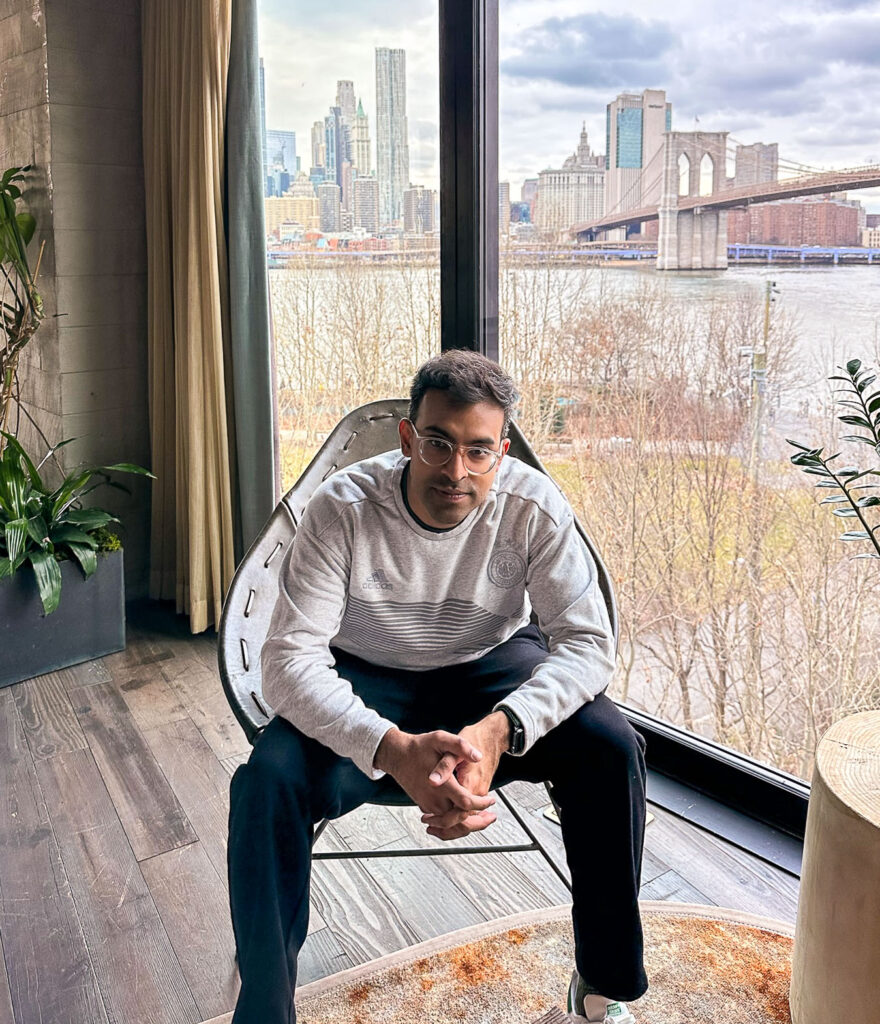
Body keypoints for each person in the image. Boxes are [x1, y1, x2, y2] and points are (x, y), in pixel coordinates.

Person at [227, 351, 648, 1023]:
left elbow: (588, 644)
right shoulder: (342, 507)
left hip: (492, 664)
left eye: (479, 451)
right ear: (407, 438)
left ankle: (603, 987)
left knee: (609, 744)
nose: (456, 471)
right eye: (438, 444)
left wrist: (499, 731)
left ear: (501, 452)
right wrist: (391, 749)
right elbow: (287, 661)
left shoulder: (534, 505)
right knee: (268, 779)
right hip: (364, 672)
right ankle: (265, 1013)